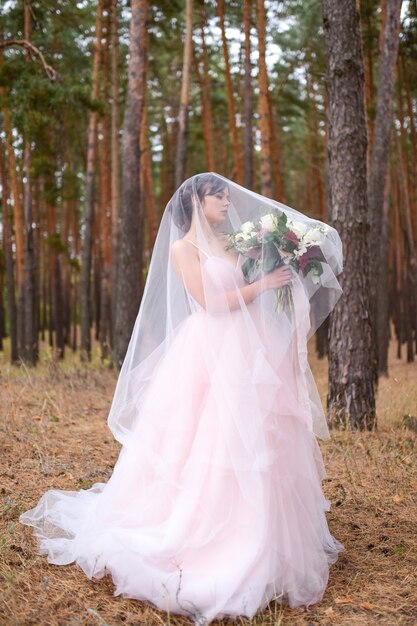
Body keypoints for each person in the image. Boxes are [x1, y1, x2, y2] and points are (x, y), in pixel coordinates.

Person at [20, 173, 344, 625]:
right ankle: (206, 536)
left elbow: (254, 287)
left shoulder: (235, 243)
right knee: (208, 441)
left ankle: (262, 536)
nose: (228, 202)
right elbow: (212, 302)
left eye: (228, 195)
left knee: (258, 443)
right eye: (219, 196)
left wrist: (281, 261)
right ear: (195, 201)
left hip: (247, 350)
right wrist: (265, 284)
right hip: (208, 353)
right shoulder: (183, 249)